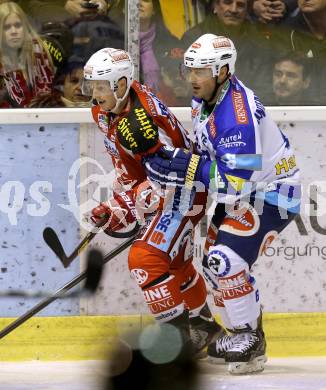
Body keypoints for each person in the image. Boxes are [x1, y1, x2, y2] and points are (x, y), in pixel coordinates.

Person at [144, 33, 301, 374]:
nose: (193, 78)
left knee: (223, 261)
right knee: (215, 272)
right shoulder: (206, 99)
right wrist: (184, 164)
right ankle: (238, 334)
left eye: (202, 71)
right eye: (190, 70)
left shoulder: (236, 117)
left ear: (223, 71)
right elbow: (211, 156)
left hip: (271, 195)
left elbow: (234, 181)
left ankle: (250, 338)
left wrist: (186, 167)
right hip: (245, 194)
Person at [82, 47, 224, 356]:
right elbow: (128, 166)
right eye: (92, 86)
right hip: (161, 187)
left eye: (102, 86)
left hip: (182, 188)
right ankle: (205, 331)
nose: (95, 94)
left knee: (145, 260)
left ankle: (178, 344)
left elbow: (165, 176)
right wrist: (120, 202)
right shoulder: (104, 109)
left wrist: (124, 206)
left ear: (122, 84)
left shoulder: (143, 121)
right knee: (176, 265)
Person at [0, 1, 55, 107]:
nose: (14, 31)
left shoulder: (38, 52)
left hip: (43, 116)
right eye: (7, 27)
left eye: (18, 25)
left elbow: (49, 96)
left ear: (24, 27)